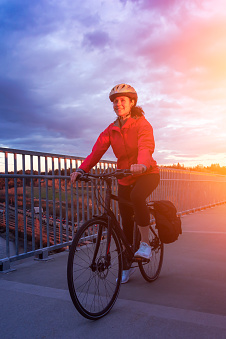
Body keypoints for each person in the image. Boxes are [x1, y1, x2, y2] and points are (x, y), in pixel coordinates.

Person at [70, 83, 160, 284]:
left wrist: (142, 165)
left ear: (132, 103)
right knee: (125, 221)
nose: (118, 104)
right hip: (125, 176)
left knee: (137, 197)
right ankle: (126, 264)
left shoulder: (142, 124)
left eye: (122, 101)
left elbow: (146, 147)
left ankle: (145, 243)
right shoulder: (111, 130)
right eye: (115, 101)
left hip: (147, 173)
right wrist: (82, 169)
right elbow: (96, 151)